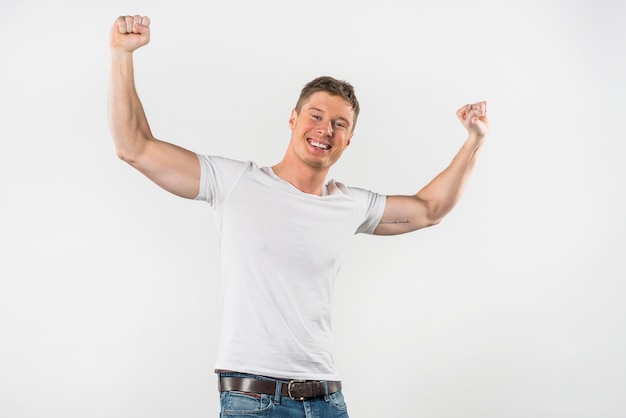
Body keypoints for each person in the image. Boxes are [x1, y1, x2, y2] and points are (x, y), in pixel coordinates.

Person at [108, 15, 489, 418]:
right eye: (316, 116)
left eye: (339, 124)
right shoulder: (236, 182)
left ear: (349, 139)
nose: (325, 129)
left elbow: (430, 210)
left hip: (328, 400)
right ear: (293, 119)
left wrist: (475, 140)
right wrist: (120, 55)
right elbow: (135, 147)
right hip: (254, 399)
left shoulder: (350, 205)